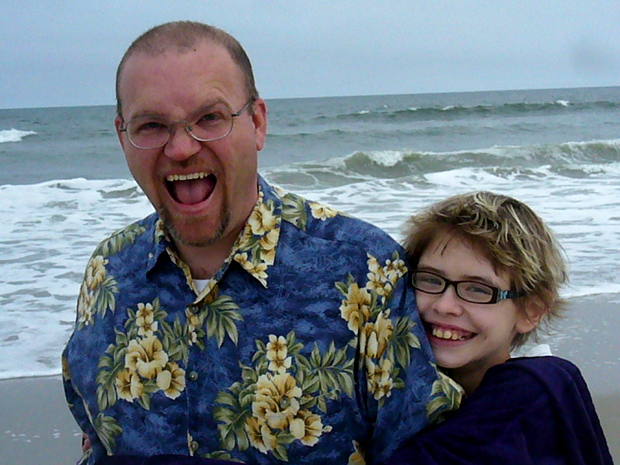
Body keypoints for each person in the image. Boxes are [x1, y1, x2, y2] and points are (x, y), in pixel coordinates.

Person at [61, 21, 460, 465]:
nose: (179, 148)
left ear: (257, 123)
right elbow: (95, 435)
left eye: (209, 118)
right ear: (123, 136)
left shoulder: (364, 269)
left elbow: (420, 448)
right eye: (151, 125)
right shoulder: (108, 271)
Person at [385, 192, 613, 464]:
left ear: (532, 310)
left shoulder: (528, 398)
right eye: (431, 280)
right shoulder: (384, 391)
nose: (446, 305)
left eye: (478, 289)